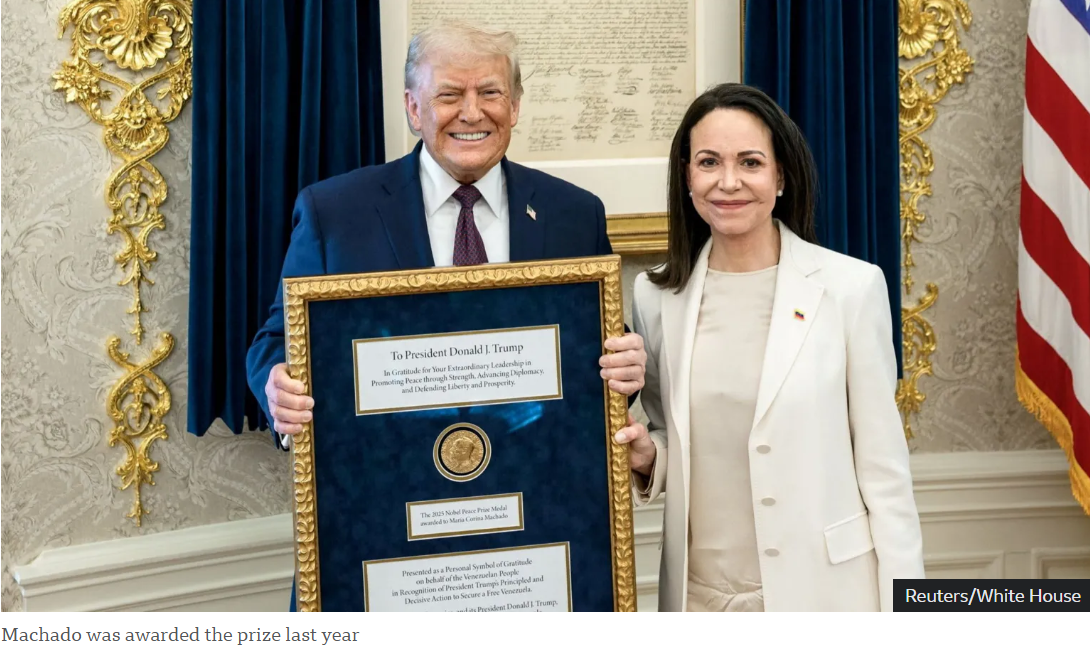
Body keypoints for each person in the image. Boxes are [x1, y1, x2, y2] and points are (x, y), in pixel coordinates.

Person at [246, 21, 647, 448]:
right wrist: (279, 387)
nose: (472, 113)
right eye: (450, 95)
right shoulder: (334, 213)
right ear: (414, 108)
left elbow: (600, 348)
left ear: (514, 106)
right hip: (386, 473)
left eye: (490, 93)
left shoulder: (574, 213)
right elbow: (278, 340)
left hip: (536, 472)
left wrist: (625, 369)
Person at [616, 83, 924, 612]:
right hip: (698, 600)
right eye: (709, 161)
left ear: (780, 176)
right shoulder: (656, 295)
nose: (728, 182)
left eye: (750, 162)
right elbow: (674, 432)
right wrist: (650, 458)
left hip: (827, 597)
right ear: (687, 176)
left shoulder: (851, 288)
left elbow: (884, 472)